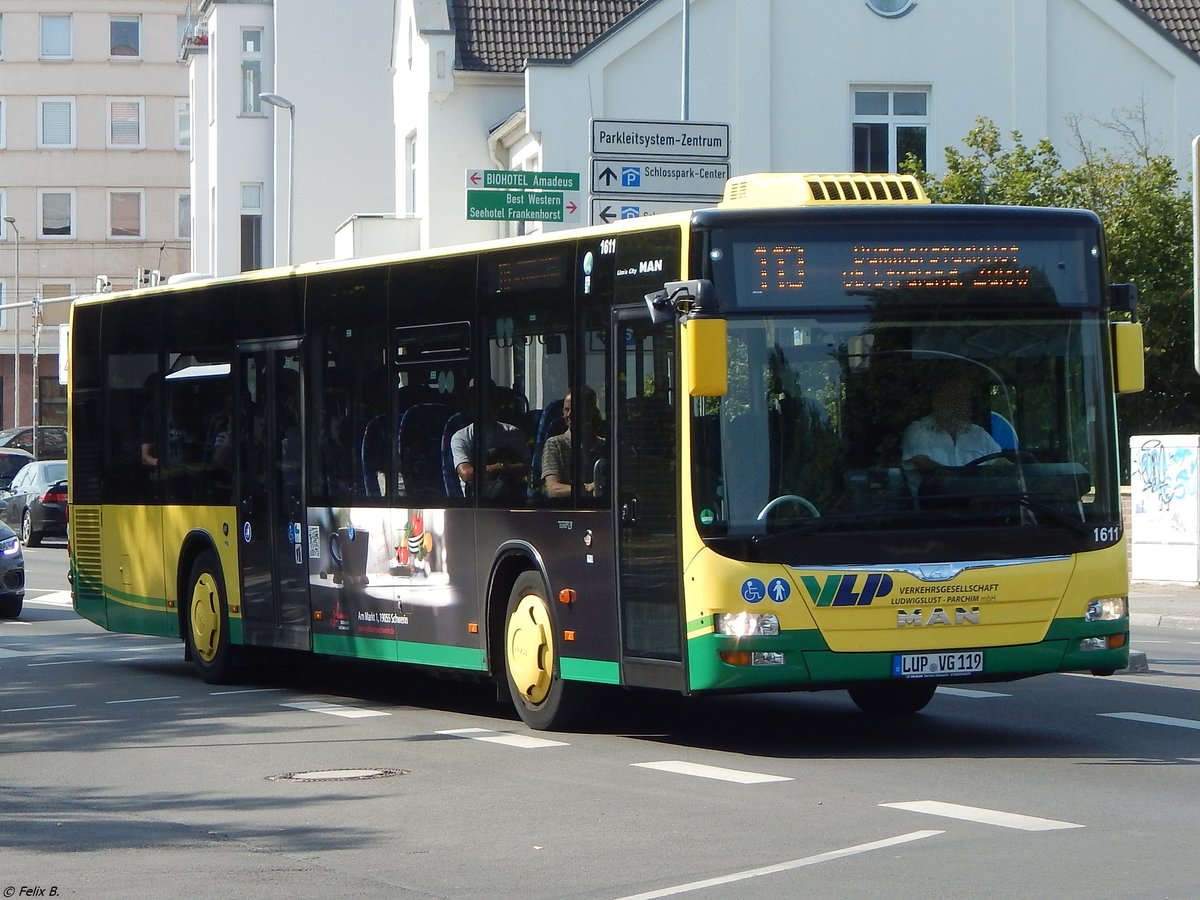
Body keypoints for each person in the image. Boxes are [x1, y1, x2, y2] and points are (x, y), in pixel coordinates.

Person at [901, 371, 1002, 496]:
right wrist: (974, 481)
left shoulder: (978, 434)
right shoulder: (918, 431)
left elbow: (1002, 464)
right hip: (934, 511)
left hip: (981, 510)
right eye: (952, 398)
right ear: (936, 401)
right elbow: (925, 466)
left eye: (963, 398)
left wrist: (1022, 468)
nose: (959, 404)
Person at [450, 382, 528, 500]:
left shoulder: (513, 433)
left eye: (489, 401)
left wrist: (504, 468)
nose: (485, 407)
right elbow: (466, 474)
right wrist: (497, 468)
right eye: (478, 403)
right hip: (476, 499)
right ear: (472, 407)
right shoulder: (461, 437)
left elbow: (528, 467)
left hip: (512, 495)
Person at [541, 386, 606, 498]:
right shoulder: (555, 445)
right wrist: (587, 488)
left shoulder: (605, 446)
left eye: (576, 410)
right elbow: (553, 489)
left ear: (591, 413)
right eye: (566, 410)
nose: (570, 415)